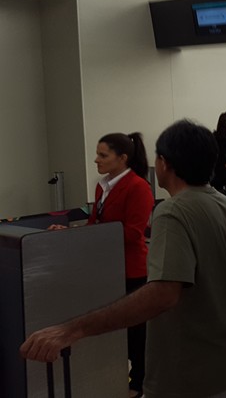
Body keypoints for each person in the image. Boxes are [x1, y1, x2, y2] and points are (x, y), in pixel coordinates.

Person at [21, 120, 226, 398]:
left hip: (197, 371)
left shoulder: (173, 210)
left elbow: (163, 294)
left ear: (164, 163)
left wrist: (72, 330)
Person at [65, 132, 154, 398]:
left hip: (132, 270)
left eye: (103, 155)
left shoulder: (138, 187)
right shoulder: (102, 186)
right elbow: (96, 222)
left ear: (122, 158)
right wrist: (73, 233)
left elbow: (133, 233)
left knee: (136, 332)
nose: (96, 160)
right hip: (106, 268)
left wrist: (96, 234)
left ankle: (139, 382)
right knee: (112, 327)